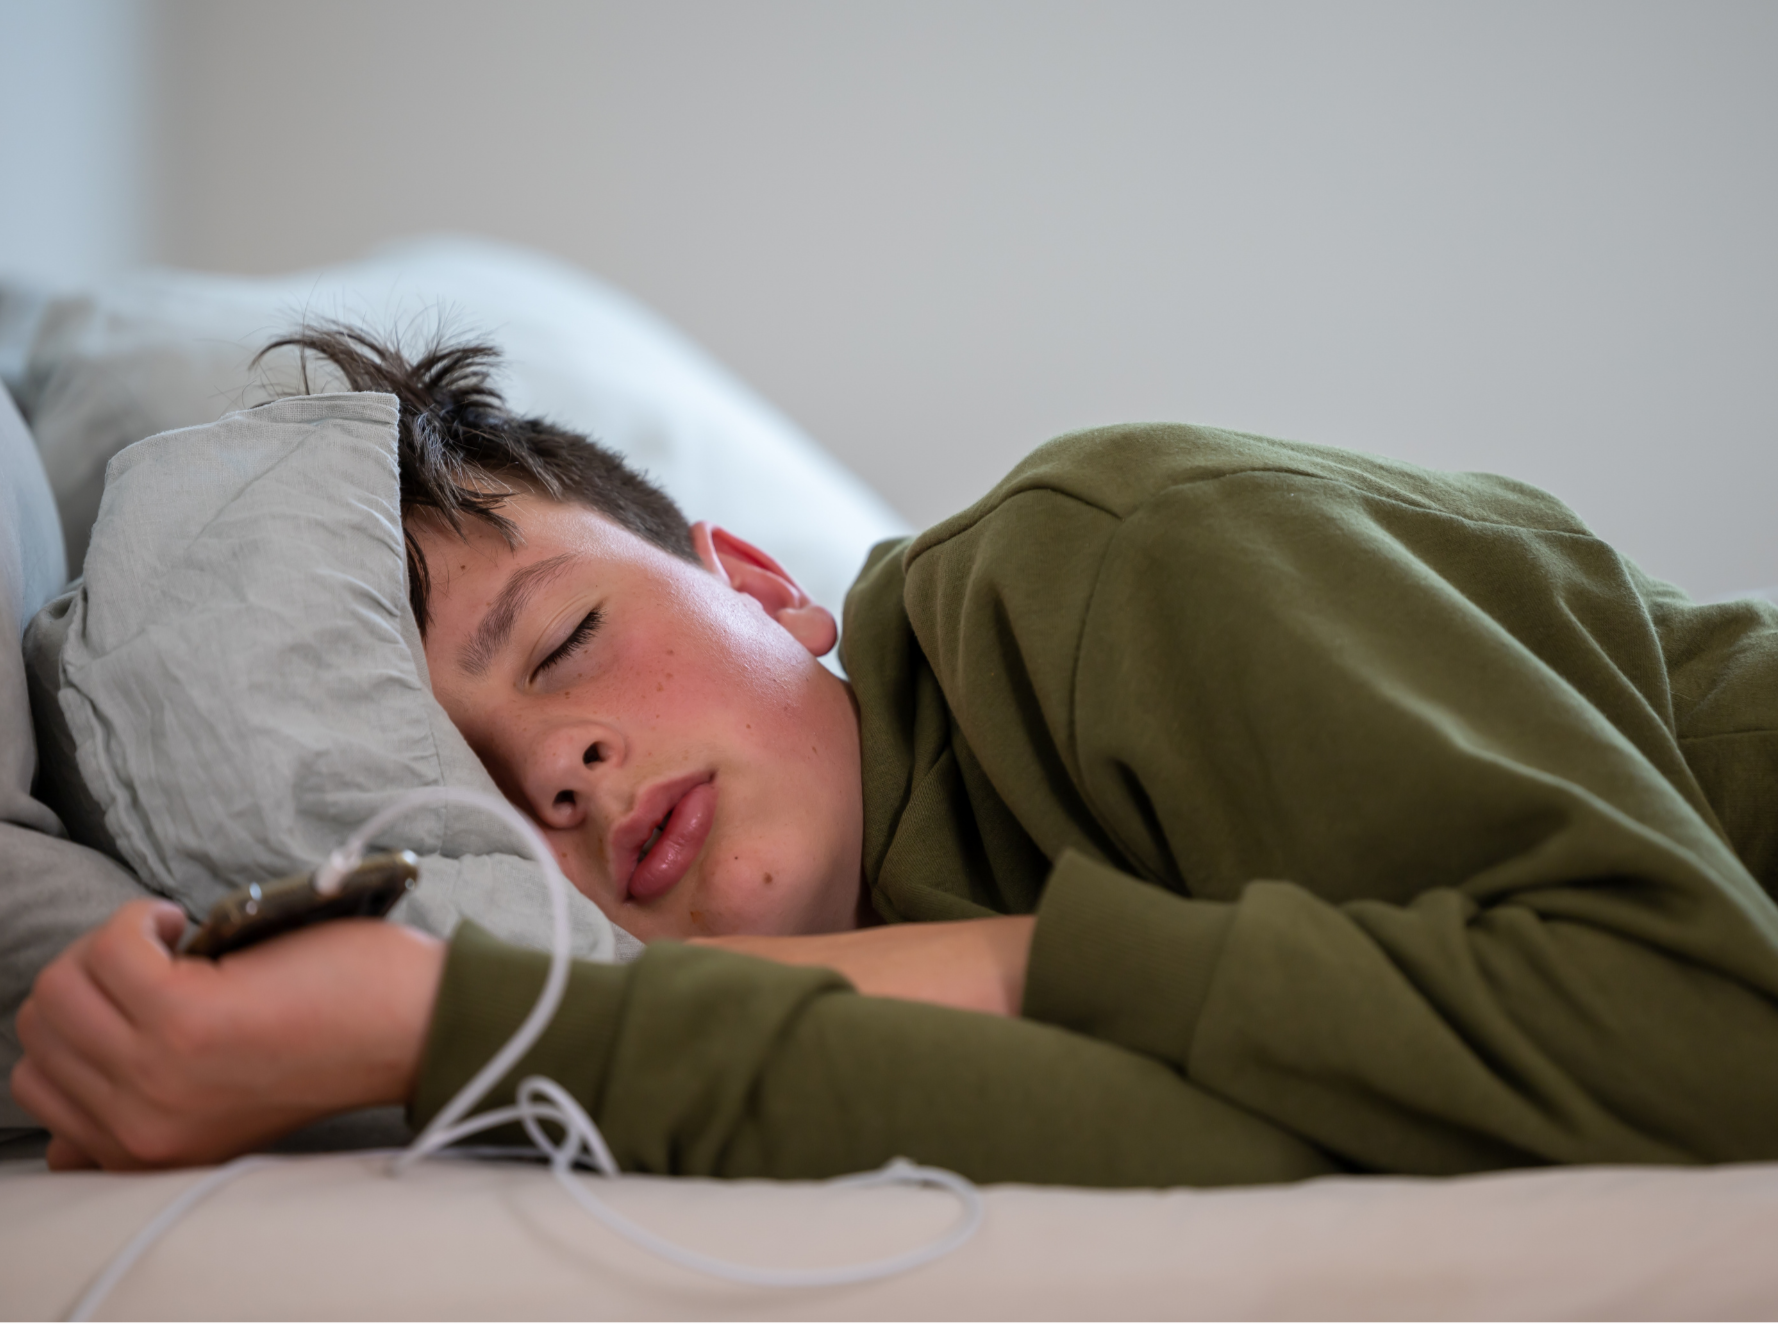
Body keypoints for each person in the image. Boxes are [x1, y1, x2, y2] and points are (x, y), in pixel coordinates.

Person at [12, 326, 1778, 1183]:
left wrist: (471, 1025)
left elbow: (1705, 1034)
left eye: (563, 642)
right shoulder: (764, 1065)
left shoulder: (1101, 561)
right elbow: (1263, 1139)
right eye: (473, 806)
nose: (560, 768)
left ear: (762, 587)